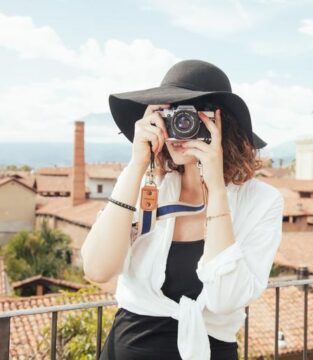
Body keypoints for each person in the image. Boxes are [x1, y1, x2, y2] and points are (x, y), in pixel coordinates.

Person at [81, 59, 284, 360]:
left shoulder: (262, 201)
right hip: (130, 347)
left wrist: (215, 188)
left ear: (220, 123)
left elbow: (225, 298)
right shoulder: (145, 184)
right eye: (169, 114)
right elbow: (97, 269)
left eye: (190, 115)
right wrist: (137, 164)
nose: (179, 127)